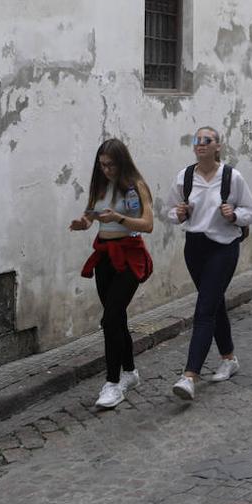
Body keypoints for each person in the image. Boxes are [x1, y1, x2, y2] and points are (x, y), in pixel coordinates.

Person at [166, 126, 252, 402]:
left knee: (204, 308)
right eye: (196, 140)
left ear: (218, 145)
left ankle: (189, 376)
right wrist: (179, 213)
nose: (200, 144)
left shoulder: (232, 177)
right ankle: (229, 358)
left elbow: (250, 212)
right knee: (214, 302)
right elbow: (169, 211)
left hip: (223, 248)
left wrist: (234, 215)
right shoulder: (185, 177)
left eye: (207, 140)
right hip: (194, 247)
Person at [72, 138, 155, 410]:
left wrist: (118, 219)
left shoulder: (135, 186)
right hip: (105, 257)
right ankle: (130, 373)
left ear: (122, 162)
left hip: (129, 258)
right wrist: (83, 222)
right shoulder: (99, 185)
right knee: (116, 318)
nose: (106, 170)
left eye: (110, 165)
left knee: (109, 320)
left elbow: (147, 224)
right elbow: (91, 215)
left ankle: (112, 383)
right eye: (102, 165)